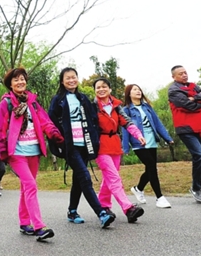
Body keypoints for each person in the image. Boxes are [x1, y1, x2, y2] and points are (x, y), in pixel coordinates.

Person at [0, 67, 63, 241]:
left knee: (26, 187)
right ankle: (39, 226)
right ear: (10, 84)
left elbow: (45, 121)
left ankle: (25, 223)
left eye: (22, 79)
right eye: (16, 79)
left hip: (34, 150)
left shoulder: (32, 102)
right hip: (16, 153)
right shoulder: (6, 103)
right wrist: (2, 151)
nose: (20, 82)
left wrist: (56, 135)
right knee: (31, 185)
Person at [48, 67, 115, 228]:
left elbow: (94, 120)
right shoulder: (58, 100)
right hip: (70, 146)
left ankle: (72, 211)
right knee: (85, 177)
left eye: (74, 77)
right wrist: (59, 143)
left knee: (78, 179)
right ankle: (101, 213)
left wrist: (95, 139)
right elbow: (51, 122)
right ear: (62, 81)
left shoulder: (83, 98)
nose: (71, 80)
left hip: (85, 144)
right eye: (67, 78)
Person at [93, 77, 145, 223]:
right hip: (100, 146)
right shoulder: (92, 106)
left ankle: (103, 205)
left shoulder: (116, 106)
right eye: (98, 87)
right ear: (95, 91)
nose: (101, 89)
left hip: (115, 145)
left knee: (109, 178)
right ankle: (128, 208)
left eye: (104, 86)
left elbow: (127, 122)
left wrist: (138, 135)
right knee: (114, 178)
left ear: (110, 89)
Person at [168, 65, 201, 203]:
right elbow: (187, 106)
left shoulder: (193, 86)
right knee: (200, 156)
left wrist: (194, 98)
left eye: (185, 72)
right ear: (174, 77)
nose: (184, 75)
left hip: (199, 127)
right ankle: (195, 188)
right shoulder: (173, 90)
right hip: (185, 129)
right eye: (181, 73)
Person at [122, 84, 174, 208]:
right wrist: (125, 147)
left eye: (139, 89)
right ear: (129, 94)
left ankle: (138, 188)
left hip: (151, 142)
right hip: (138, 143)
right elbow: (125, 129)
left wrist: (167, 138)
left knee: (150, 168)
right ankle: (159, 198)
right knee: (152, 167)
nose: (138, 91)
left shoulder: (147, 107)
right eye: (134, 89)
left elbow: (157, 123)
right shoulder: (126, 110)